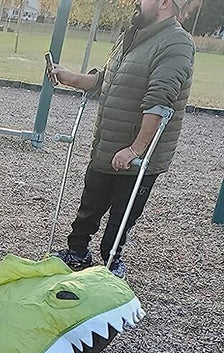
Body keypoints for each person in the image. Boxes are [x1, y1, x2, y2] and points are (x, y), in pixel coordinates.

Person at [50, 0, 195, 279]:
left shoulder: (177, 44)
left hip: (137, 154)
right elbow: (107, 80)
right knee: (90, 205)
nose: (137, 2)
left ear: (165, 3)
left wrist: (135, 150)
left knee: (121, 216)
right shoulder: (131, 36)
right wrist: (69, 78)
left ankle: (111, 263)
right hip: (107, 143)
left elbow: (160, 102)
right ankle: (77, 252)